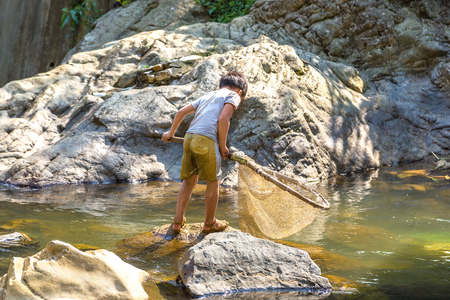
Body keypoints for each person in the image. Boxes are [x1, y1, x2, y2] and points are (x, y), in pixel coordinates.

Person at [161, 71, 248, 234]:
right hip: (206, 141)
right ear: (240, 91)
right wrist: (222, 146)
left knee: (189, 181)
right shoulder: (233, 95)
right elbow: (223, 120)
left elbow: (181, 112)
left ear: (222, 84)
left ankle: (177, 221)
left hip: (189, 138)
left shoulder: (209, 95)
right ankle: (209, 223)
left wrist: (170, 133)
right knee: (213, 182)